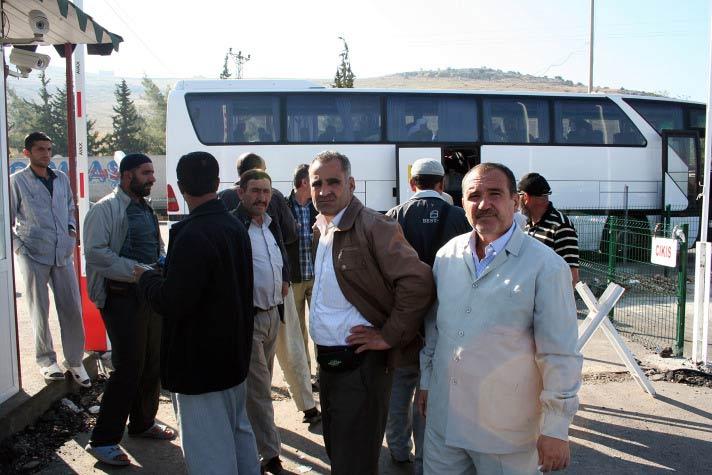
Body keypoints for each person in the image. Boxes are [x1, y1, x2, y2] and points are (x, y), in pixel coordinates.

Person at [418, 162, 582, 474]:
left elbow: (559, 353)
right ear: (462, 203)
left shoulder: (546, 267)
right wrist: (427, 382)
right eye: (474, 195)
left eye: (495, 194)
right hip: (445, 425)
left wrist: (556, 428)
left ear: (515, 201)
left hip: (506, 435)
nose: (484, 204)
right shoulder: (447, 256)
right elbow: (435, 329)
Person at [308, 150, 434, 475]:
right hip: (329, 366)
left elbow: (417, 281)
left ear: (351, 184)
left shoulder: (374, 226)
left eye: (333, 182)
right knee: (340, 453)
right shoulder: (321, 228)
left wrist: (389, 335)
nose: (324, 191)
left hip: (360, 368)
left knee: (355, 462)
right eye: (316, 183)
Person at [137, 152, 260, 475]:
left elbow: (173, 301)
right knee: (238, 435)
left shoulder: (192, 233)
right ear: (219, 185)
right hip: (233, 357)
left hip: (199, 364)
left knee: (209, 453)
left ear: (179, 187)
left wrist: (146, 279)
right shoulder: (233, 225)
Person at [83, 153, 174, 466]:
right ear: (126, 176)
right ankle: (103, 439)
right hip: (121, 297)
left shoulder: (145, 208)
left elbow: (154, 245)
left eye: (152, 172)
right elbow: (96, 254)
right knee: (128, 367)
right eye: (146, 172)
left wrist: (160, 264)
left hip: (148, 295)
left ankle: (142, 423)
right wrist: (137, 271)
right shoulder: (104, 209)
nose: (152, 178)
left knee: (152, 362)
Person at [384, 158, 471, 473]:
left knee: (399, 384)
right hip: (446, 317)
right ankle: (424, 458)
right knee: (431, 386)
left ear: (412, 184)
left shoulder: (393, 218)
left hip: (403, 317)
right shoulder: (459, 216)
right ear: (442, 183)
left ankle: (397, 448)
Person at [227, 156, 321, 426]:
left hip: (242, 297)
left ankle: (247, 417)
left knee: (251, 364)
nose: (261, 196)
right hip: (279, 286)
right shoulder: (275, 197)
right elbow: (289, 233)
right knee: (291, 348)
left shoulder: (224, 198)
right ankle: (307, 407)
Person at [10, 132, 89, 387]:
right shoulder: (17, 182)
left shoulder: (61, 178)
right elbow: (7, 220)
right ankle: (46, 361)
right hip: (33, 253)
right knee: (39, 309)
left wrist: (71, 230)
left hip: (62, 253)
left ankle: (75, 360)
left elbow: (68, 207)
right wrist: (19, 247)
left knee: (72, 308)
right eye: (40, 149)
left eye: (48, 149)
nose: (46, 154)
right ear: (27, 153)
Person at [232, 169, 294, 475]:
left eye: (266, 191)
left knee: (259, 389)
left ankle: (246, 445)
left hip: (273, 315)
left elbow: (281, 254)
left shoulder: (270, 224)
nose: (262, 197)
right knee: (258, 392)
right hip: (249, 320)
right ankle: (271, 457)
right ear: (241, 192)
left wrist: (284, 278)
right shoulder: (234, 226)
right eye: (255, 191)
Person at [517, 172, 580, 285]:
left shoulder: (561, 226)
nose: (516, 202)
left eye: (519, 196)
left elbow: (572, 276)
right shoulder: (527, 223)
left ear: (525, 197)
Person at [286, 164, 318, 375]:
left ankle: (322, 372)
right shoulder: (285, 207)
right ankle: (305, 374)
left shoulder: (318, 206)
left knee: (320, 326)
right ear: (304, 182)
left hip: (317, 276)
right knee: (298, 332)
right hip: (295, 278)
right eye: (314, 181)